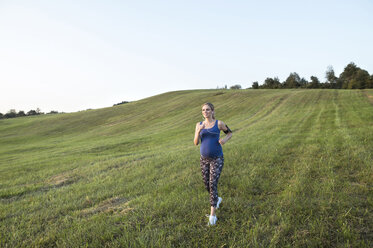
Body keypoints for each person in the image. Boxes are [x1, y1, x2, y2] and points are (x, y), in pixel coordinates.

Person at [193, 102, 233, 226]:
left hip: (217, 158)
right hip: (203, 159)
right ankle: (217, 199)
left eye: (208, 109)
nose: (205, 112)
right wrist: (198, 131)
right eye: (203, 110)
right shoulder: (199, 125)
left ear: (212, 111)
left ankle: (212, 216)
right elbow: (195, 143)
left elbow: (230, 133)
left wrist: (224, 140)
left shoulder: (219, 124)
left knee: (212, 184)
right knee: (207, 185)